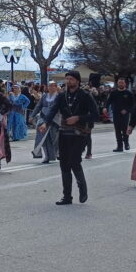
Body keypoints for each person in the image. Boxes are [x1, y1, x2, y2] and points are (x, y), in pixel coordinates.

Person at [40, 71, 98, 205]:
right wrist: (45, 123)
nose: (68, 81)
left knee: (74, 161)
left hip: (79, 132)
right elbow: (53, 110)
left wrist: (78, 118)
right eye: (67, 79)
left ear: (77, 81)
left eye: (71, 79)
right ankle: (67, 196)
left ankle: (82, 187)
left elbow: (95, 114)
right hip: (64, 131)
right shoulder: (61, 96)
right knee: (64, 163)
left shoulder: (85, 95)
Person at [32, 81, 61, 164]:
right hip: (43, 118)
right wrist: (32, 115)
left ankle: (57, 153)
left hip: (55, 119)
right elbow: (38, 106)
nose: (51, 87)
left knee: (54, 138)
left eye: (53, 86)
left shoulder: (59, 97)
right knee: (42, 138)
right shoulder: (44, 96)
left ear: (56, 87)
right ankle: (46, 156)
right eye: (50, 86)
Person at [105, 76, 135, 152]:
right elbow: (108, 101)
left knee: (125, 130)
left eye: (122, 83)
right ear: (117, 83)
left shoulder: (128, 93)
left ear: (125, 84)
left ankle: (126, 143)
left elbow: (132, 104)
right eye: (119, 83)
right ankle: (119, 146)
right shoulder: (113, 92)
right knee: (117, 130)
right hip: (116, 114)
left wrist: (127, 110)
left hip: (125, 115)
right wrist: (105, 107)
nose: (121, 84)